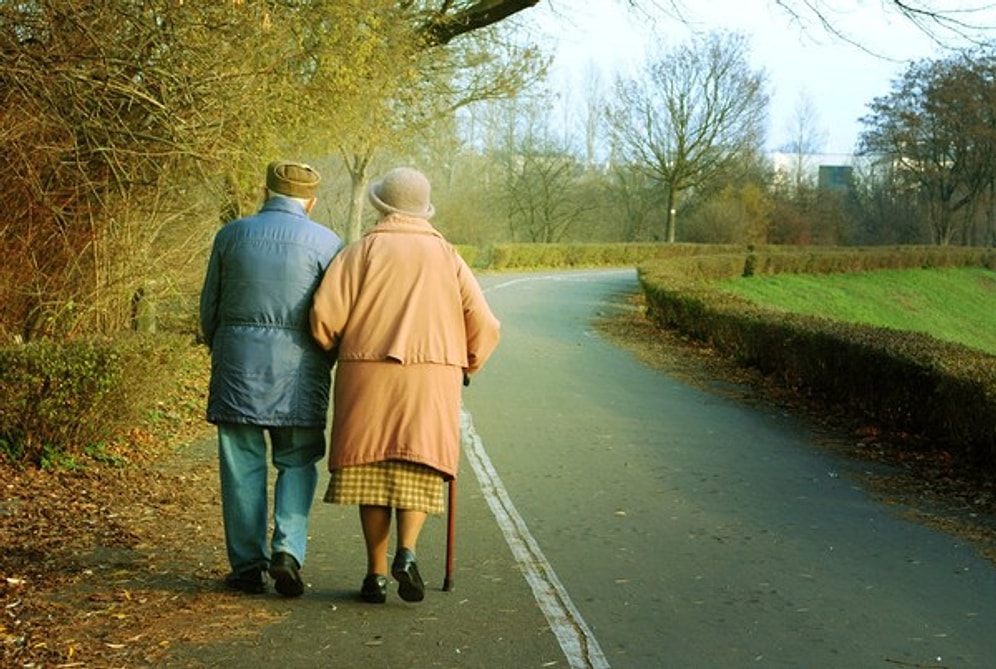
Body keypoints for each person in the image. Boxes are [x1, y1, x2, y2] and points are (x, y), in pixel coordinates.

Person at [310, 166, 500, 604]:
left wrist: (331, 346)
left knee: (372, 470)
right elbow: (485, 324)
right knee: (418, 464)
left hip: (367, 372)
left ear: (381, 205)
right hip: (433, 375)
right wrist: (468, 363)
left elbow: (324, 315)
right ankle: (408, 554)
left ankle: (375, 574)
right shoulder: (447, 255)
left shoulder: (362, 251)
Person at [200, 160, 343, 597]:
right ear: (311, 201)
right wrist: (327, 359)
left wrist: (221, 347)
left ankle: (246, 566)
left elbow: (210, 309)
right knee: (297, 461)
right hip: (300, 372)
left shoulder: (231, 235)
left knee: (242, 467)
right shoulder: (328, 243)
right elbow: (334, 315)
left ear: (265, 192)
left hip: (237, 368)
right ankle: (287, 551)